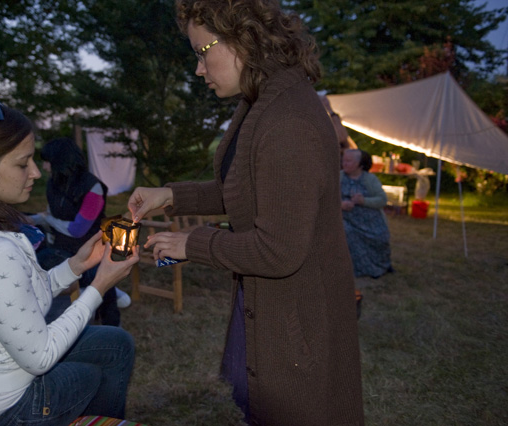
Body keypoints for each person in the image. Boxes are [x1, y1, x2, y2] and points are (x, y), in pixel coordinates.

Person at [128, 1, 364, 424]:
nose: (199, 69)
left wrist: (191, 243)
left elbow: (278, 251)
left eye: (203, 52)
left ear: (244, 38)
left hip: (298, 314)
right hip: (274, 303)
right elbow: (240, 191)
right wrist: (168, 196)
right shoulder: (262, 101)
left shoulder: (287, 121)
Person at [0, 100, 139, 426]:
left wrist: (75, 266)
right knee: (92, 374)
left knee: (117, 343)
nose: (35, 172)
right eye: (23, 164)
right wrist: (100, 285)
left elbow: (18, 294)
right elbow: (41, 357)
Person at [30, 137, 124, 326]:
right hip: (59, 246)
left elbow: (77, 230)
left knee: (99, 279)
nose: (44, 168)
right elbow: (50, 215)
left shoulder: (93, 187)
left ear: (60, 160)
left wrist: (45, 218)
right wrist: (29, 220)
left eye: (47, 162)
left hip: (89, 248)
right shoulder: (53, 184)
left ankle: (110, 322)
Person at [341, 149, 393, 278]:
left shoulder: (370, 179)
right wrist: (341, 204)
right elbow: (328, 198)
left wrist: (363, 201)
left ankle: (380, 266)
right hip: (347, 220)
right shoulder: (339, 177)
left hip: (370, 221)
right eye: (343, 160)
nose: (344, 164)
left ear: (360, 164)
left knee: (380, 237)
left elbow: (382, 200)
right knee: (347, 233)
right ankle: (355, 270)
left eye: (349, 161)